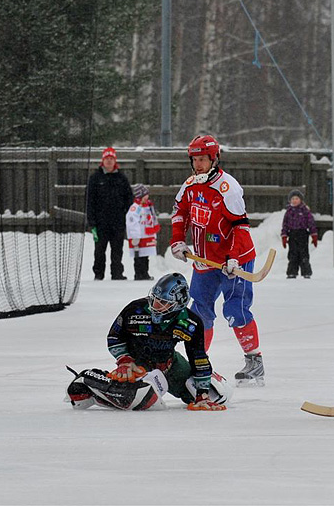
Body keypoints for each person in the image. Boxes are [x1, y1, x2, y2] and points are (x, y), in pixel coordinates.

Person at [169, 135, 264, 386]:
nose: (198, 164)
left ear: (214, 159)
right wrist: (178, 240)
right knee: (199, 313)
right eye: (195, 159)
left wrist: (233, 258)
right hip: (204, 261)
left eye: (203, 159)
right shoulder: (189, 186)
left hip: (235, 261)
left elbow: (241, 227)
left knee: (235, 310)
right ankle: (198, 360)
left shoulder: (227, 188)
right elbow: (179, 213)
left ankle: (254, 361)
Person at [66, 272, 231, 411]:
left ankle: (212, 379)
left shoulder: (191, 322)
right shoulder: (134, 310)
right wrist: (124, 360)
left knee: (217, 395)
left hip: (171, 364)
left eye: (163, 302)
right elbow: (114, 337)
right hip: (136, 365)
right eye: (155, 298)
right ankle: (89, 380)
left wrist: (202, 392)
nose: (155, 305)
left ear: (179, 304)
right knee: (144, 398)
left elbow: (199, 357)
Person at [85, 147, 133, 281]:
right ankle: (98, 274)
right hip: (100, 222)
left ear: (115, 161)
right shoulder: (95, 178)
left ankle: (117, 273)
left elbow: (129, 197)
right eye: (107, 159)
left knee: (117, 249)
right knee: (100, 250)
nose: (109, 161)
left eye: (112, 159)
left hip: (118, 221)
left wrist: (125, 213)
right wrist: (92, 221)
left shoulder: (121, 178)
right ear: (103, 161)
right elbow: (89, 201)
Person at [280, 189, 318, 279]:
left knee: (303, 254)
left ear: (301, 200)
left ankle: (306, 272)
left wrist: (314, 235)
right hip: (292, 235)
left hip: (303, 234)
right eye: (292, 199)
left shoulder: (305, 210)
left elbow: (311, 223)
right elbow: (285, 225)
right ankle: (292, 272)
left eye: (296, 198)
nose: (294, 200)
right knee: (292, 254)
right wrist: (284, 236)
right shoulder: (289, 212)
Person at [125, 183, 160, 281]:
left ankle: (145, 273)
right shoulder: (135, 208)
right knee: (139, 257)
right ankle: (138, 274)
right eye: (145, 195)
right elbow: (132, 222)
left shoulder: (148, 206)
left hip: (147, 236)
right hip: (139, 237)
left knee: (145, 256)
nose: (147, 197)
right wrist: (135, 236)